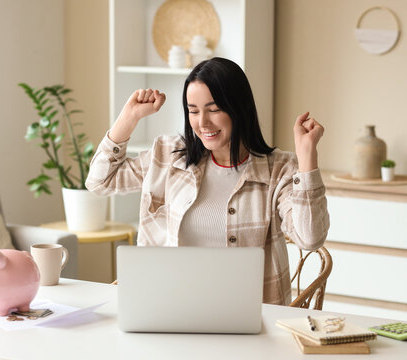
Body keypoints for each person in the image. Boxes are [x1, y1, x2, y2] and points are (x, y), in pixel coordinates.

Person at [86, 57, 329, 306]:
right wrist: (129, 117)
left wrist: (307, 156)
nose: (202, 123)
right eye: (193, 111)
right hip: (168, 307)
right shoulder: (167, 155)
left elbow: (309, 238)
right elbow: (99, 182)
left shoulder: (279, 170)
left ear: (239, 108)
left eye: (214, 110)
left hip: (246, 317)